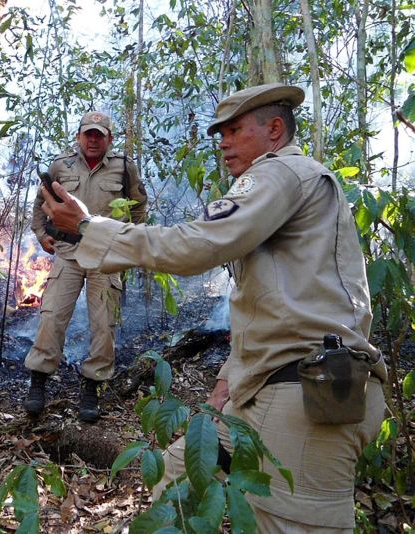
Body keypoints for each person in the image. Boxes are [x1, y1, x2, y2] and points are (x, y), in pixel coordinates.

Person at [39, 83, 388, 532]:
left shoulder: (280, 174)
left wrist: (89, 229)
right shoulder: (287, 183)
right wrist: (228, 377)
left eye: (234, 130)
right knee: (177, 472)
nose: (222, 142)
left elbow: (200, 244)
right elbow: (277, 304)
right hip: (265, 386)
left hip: (303, 397)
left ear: (275, 129)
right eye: (219, 133)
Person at [24, 110, 147, 423]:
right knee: (51, 317)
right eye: (88, 134)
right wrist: (41, 234)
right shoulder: (61, 166)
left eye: (99, 135)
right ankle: (38, 381)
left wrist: (131, 244)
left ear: (109, 139)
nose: (93, 140)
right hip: (68, 252)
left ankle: (92, 387)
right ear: (79, 136)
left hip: (107, 256)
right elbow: (41, 204)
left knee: (104, 324)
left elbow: (139, 207)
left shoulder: (124, 167)